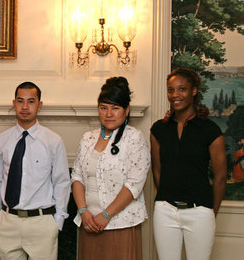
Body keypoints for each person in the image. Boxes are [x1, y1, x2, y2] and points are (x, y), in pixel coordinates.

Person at [0, 81, 71, 260]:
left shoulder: (53, 141)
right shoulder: (1, 140)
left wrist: (58, 221)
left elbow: (62, 182)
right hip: (7, 222)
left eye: (31, 101)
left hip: (42, 223)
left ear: (39, 105)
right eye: (20, 101)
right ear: (14, 103)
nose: (25, 106)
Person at [151, 67, 227, 260]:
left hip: (200, 212)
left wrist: (210, 212)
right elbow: (157, 171)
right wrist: (168, 197)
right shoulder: (159, 129)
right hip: (165, 210)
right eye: (171, 90)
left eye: (182, 89)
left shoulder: (210, 130)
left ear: (194, 91)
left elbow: (220, 178)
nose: (175, 95)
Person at [71, 77, 150, 260]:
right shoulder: (88, 138)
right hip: (88, 223)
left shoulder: (134, 139)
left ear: (126, 110)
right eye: (103, 107)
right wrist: (84, 212)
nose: (109, 113)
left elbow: (134, 185)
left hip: (120, 224)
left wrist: (106, 215)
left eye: (115, 108)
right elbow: (77, 177)